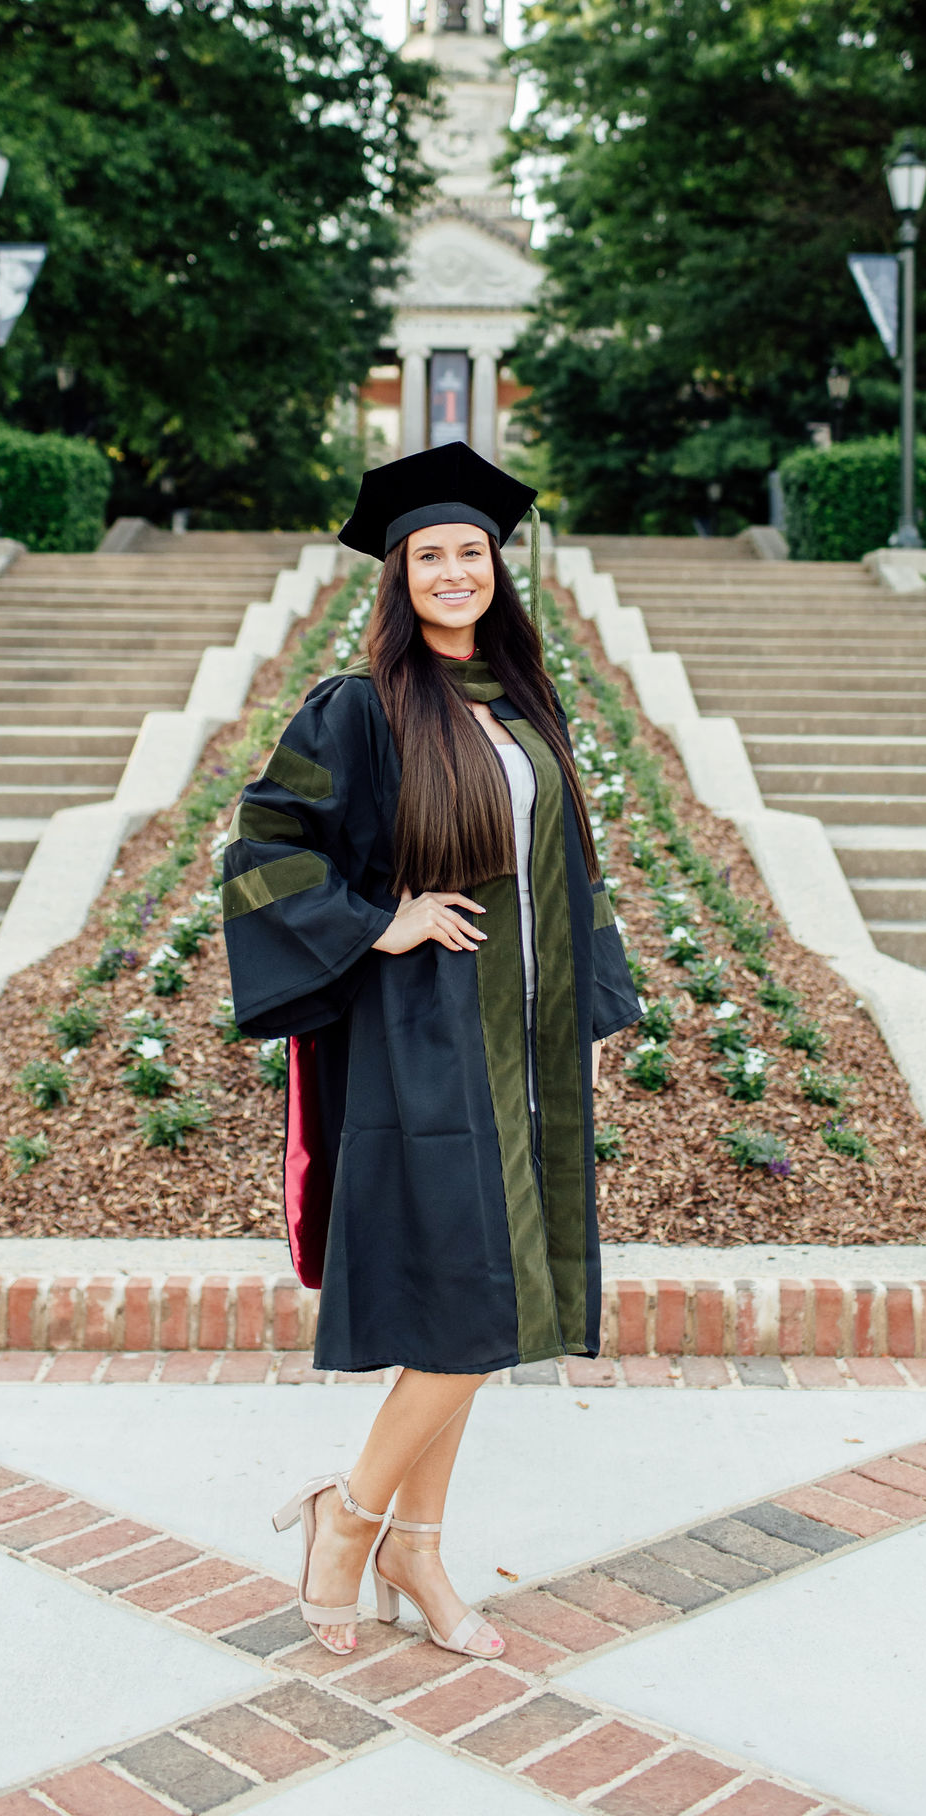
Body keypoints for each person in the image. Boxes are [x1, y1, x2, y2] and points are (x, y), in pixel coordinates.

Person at [222, 442, 642, 1660]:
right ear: (397, 577)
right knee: (471, 1303)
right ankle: (349, 1520)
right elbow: (262, 845)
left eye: (471, 553)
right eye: (429, 556)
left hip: (525, 1046)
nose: (453, 570)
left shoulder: (521, 706)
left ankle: (416, 1544)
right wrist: (377, 922)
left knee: (477, 1308)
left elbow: (570, 872)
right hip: (421, 1041)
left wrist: (585, 1017)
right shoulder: (360, 710)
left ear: (496, 572)